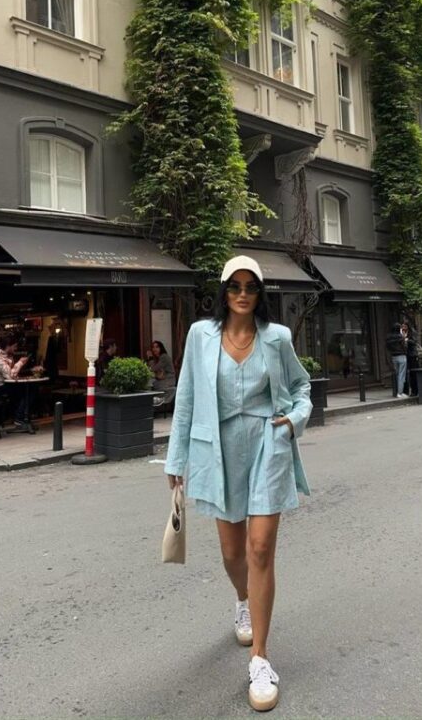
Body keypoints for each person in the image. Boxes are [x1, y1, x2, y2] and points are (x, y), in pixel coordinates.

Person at [165, 255, 312, 712]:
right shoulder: (200, 335)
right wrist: (176, 458)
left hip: (268, 443)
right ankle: (242, 598)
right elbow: (187, 397)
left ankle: (260, 659)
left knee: (260, 548)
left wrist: (293, 421)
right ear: (224, 291)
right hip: (218, 448)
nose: (243, 294)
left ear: (260, 293)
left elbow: (302, 387)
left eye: (251, 287)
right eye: (235, 286)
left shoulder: (277, 336)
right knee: (233, 554)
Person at [0, 336, 29, 428]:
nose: (16, 349)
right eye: (14, 346)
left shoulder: (8, 356)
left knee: (27, 389)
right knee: (26, 391)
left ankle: (20, 416)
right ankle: (19, 418)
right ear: (8, 346)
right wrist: (20, 363)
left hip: (6, 384)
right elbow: (10, 375)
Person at [386, 322, 408, 398]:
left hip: (394, 356)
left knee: (397, 374)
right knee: (401, 375)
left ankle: (397, 391)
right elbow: (404, 346)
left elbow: (387, 347)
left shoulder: (389, 337)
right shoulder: (401, 337)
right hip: (401, 356)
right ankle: (400, 392)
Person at [401, 322, 420, 397]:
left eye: (404, 326)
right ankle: (406, 391)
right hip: (405, 355)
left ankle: (415, 391)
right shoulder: (402, 333)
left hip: (412, 355)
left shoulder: (412, 333)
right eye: (402, 326)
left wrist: (406, 340)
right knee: (406, 374)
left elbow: (414, 342)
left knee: (413, 373)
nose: (403, 328)